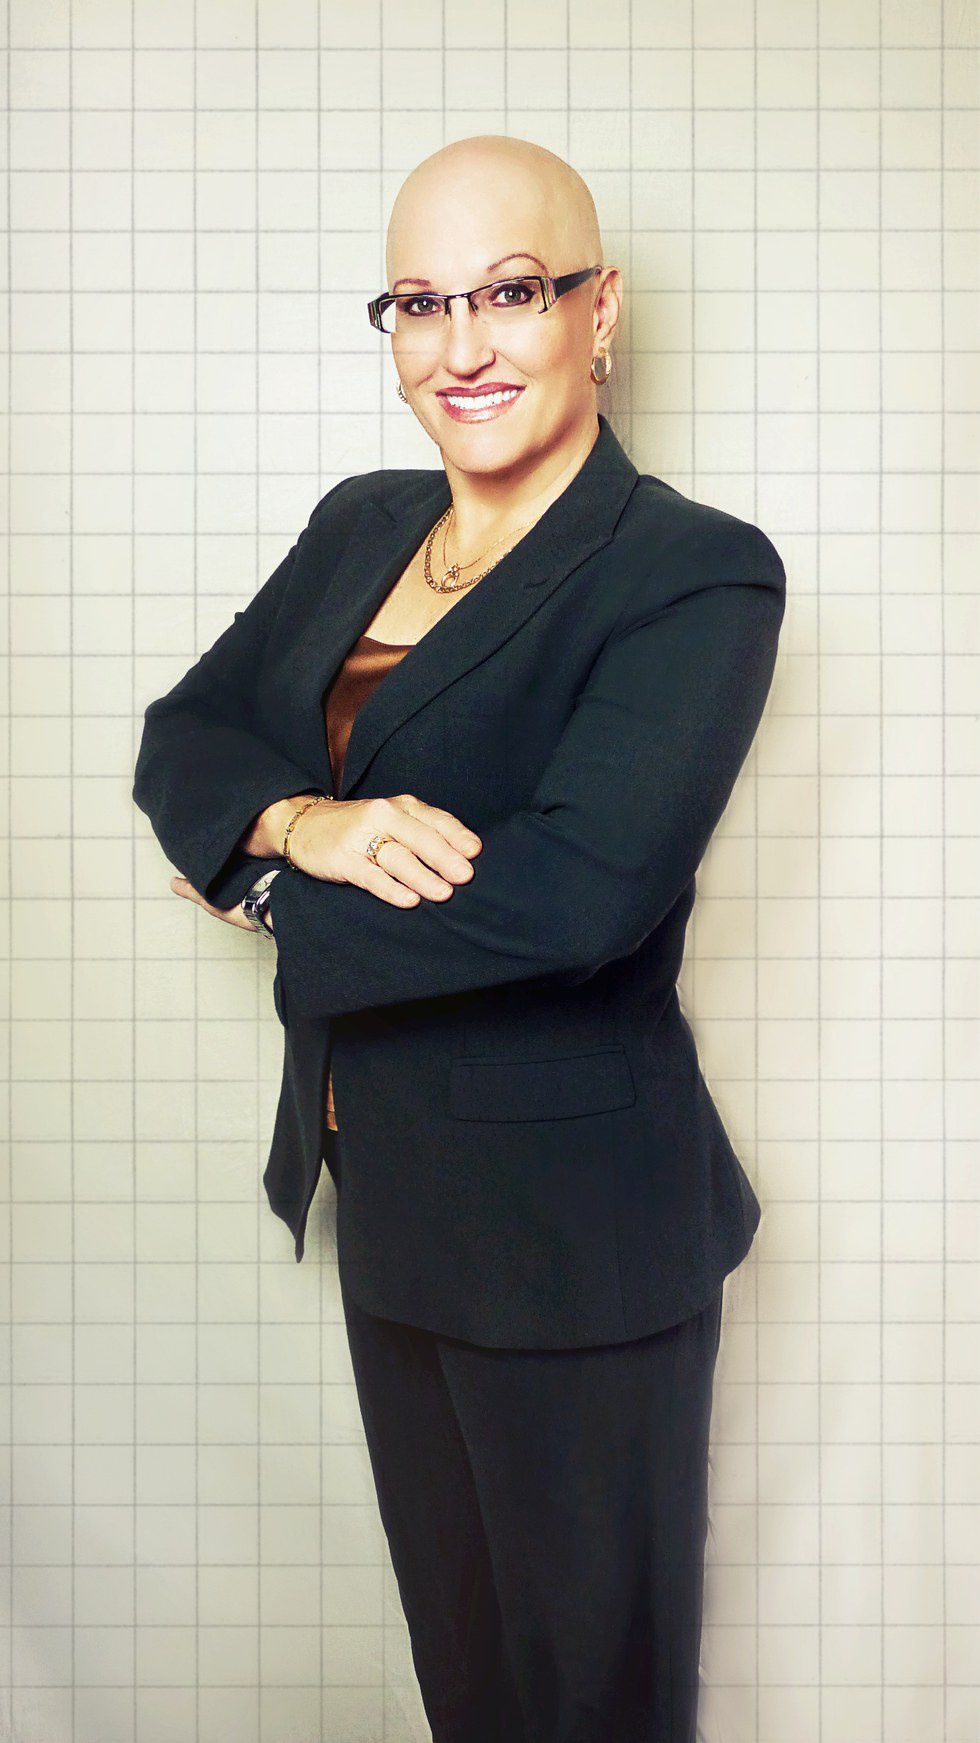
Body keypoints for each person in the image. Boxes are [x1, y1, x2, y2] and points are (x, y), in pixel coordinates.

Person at [133, 134, 787, 1741]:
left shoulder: (690, 571)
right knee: (473, 1691)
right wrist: (305, 822)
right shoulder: (363, 524)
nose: (462, 345)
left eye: (510, 291)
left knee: (594, 1702)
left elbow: (578, 894)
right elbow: (190, 738)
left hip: (577, 1232)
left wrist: (261, 889)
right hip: (395, 1196)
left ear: (597, 310)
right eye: (420, 303)